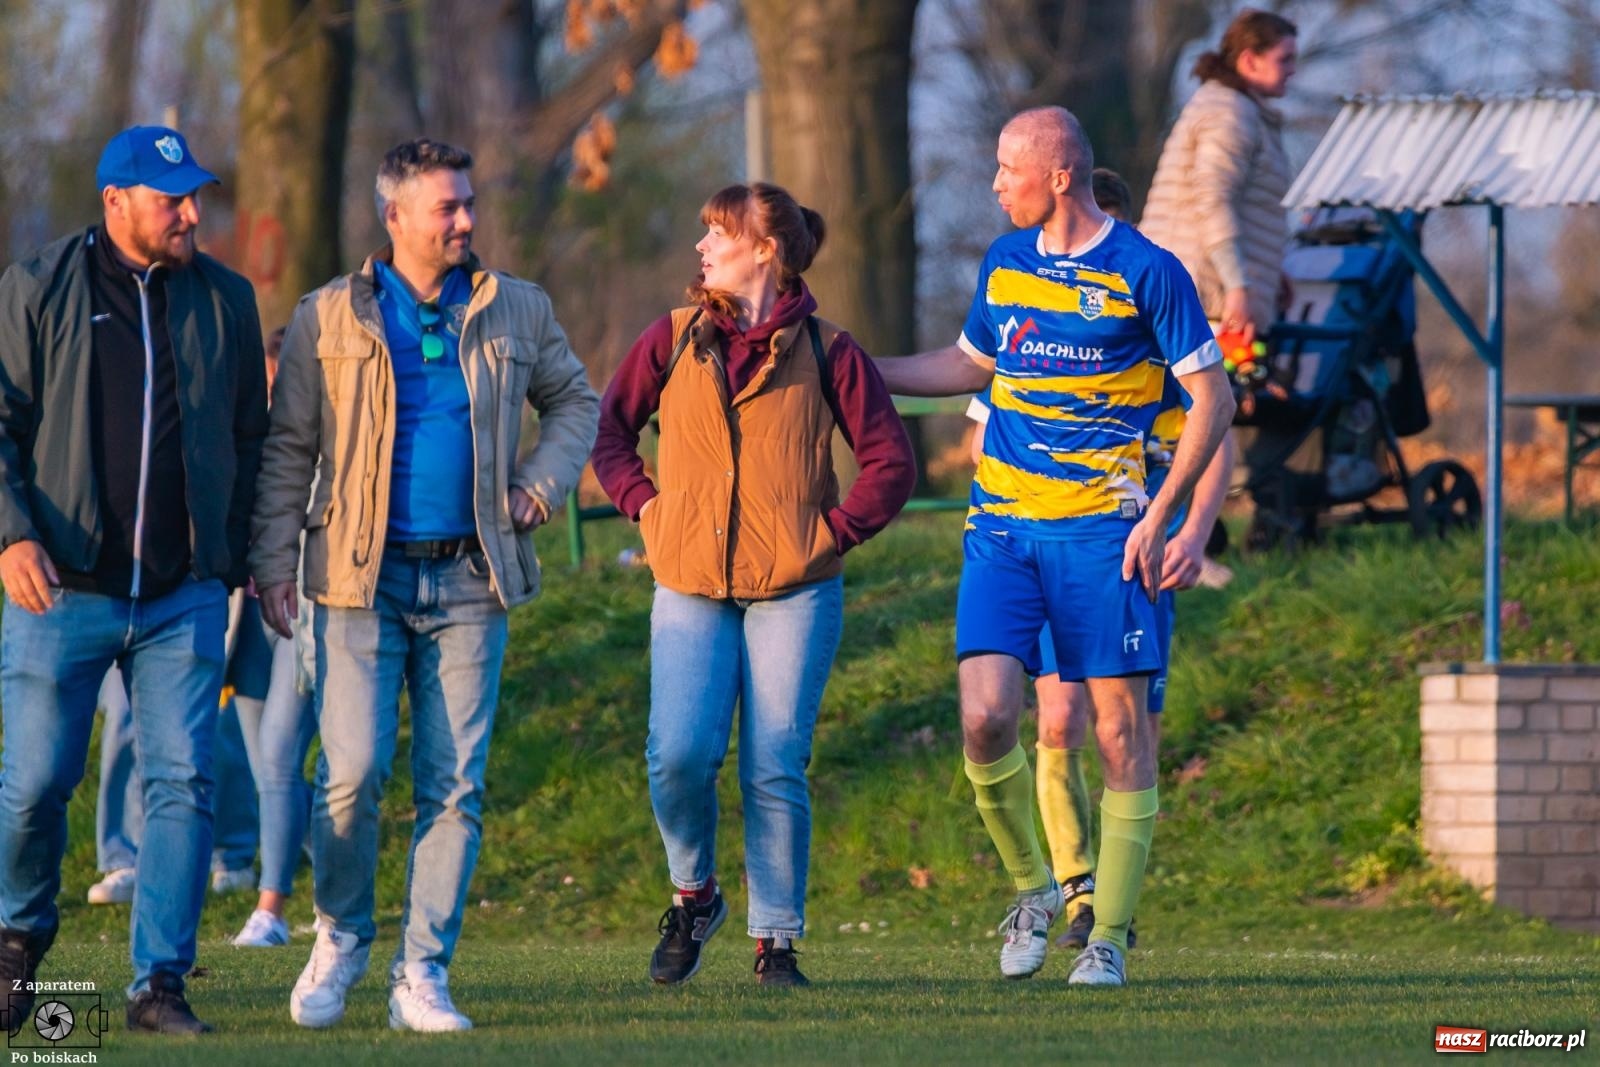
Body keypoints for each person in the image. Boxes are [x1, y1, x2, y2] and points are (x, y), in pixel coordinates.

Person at [874, 108, 1234, 988]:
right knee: (987, 716)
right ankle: (1037, 890)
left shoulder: (1148, 272)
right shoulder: (1004, 263)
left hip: (1104, 536)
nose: (995, 184)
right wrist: (854, 362)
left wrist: (1164, 518)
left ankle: (1107, 933)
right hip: (1001, 529)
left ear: (1060, 175)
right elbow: (966, 366)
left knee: (1116, 731)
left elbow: (1213, 402)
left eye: (1008, 168)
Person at [251, 138, 599, 1032]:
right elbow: (288, 450)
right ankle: (340, 933)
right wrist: (270, 563)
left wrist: (542, 484)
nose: (466, 221)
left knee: (455, 788)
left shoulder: (515, 306)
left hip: (472, 580)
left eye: (469, 203)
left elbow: (575, 401)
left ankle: (422, 973)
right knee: (352, 772)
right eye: (447, 207)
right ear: (395, 216)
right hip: (354, 582)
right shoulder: (326, 315)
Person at [591, 182, 915, 988]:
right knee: (678, 755)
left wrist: (830, 536)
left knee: (774, 761)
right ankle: (694, 894)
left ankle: (776, 942)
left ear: (765, 249)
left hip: (796, 588)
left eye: (718, 234)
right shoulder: (670, 337)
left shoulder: (832, 351)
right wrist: (649, 511)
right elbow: (611, 436)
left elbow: (891, 463)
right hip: (689, 581)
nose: (702, 248)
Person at [0, 125, 268, 1034]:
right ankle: (18, 937)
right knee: (36, 783)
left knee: (182, 783)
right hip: (61, 589)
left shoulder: (226, 300)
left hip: (183, 595)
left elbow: (250, 440)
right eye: (172, 200)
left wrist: (231, 559)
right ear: (115, 202)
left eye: (196, 196)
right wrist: (10, 536)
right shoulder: (38, 288)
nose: (193, 213)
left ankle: (160, 983)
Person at [965, 169, 1236, 950]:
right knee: (1054, 713)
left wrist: (1188, 529)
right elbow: (984, 418)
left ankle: (1113, 906)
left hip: (1131, 545)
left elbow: (1219, 430)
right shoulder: (1032, 311)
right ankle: (1074, 887)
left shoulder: (1152, 306)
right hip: (1044, 536)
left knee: (1131, 732)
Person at [231, 326, 320, 949]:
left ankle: (270, 908)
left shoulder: (331, 434)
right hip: (247, 613)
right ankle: (337, 888)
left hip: (307, 606)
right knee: (269, 769)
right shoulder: (246, 434)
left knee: (281, 751)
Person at [1140, 7, 1298, 345]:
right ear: (1249, 60)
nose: (1292, 71)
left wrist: (1267, 272)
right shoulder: (1231, 114)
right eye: (1284, 60)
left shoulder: (1236, 110)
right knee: (1206, 397)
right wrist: (1238, 285)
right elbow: (1213, 198)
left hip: (1194, 286)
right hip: (1201, 293)